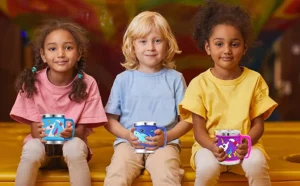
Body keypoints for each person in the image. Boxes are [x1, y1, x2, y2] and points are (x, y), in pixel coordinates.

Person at [179, 1, 278, 186]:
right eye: (219, 44)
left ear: (244, 48)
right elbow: (198, 131)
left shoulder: (254, 80)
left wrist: (247, 142)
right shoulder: (199, 84)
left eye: (234, 44)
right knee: (207, 169)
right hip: (209, 148)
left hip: (246, 147)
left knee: (257, 163)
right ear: (208, 47)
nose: (227, 50)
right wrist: (211, 146)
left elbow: (258, 125)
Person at [10, 19, 107, 186]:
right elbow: (34, 131)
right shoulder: (32, 82)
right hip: (43, 149)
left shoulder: (88, 83)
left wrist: (71, 133)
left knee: (74, 147)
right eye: (52, 48)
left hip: (72, 148)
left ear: (79, 53)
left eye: (68, 48)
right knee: (32, 148)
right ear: (43, 55)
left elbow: (81, 131)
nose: (60, 54)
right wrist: (38, 131)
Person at [103, 11, 192, 186]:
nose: (150, 47)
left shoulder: (175, 79)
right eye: (143, 41)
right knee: (117, 173)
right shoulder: (123, 80)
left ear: (168, 44)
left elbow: (187, 119)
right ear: (132, 46)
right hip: (128, 143)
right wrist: (127, 135)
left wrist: (167, 136)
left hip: (165, 145)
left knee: (167, 174)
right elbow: (109, 119)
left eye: (157, 41)